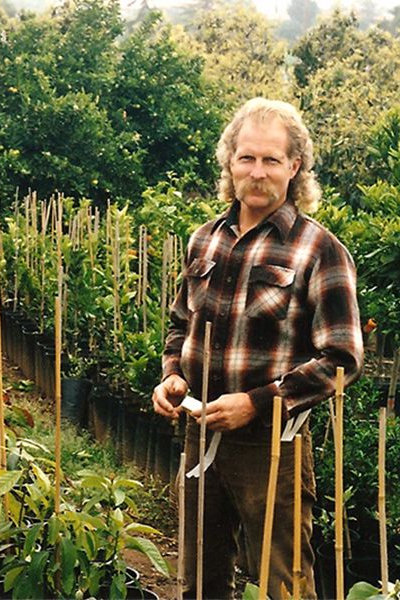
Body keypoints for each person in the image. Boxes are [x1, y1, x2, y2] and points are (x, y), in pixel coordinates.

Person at [151, 97, 363, 600]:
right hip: (199, 434)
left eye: (271, 160)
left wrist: (256, 402)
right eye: (247, 157)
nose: (258, 172)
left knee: (280, 583)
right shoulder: (205, 240)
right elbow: (181, 324)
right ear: (230, 161)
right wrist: (172, 375)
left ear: (294, 166)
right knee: (200, 579)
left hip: (271, 446)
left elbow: (342, 359)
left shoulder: (319, 250)